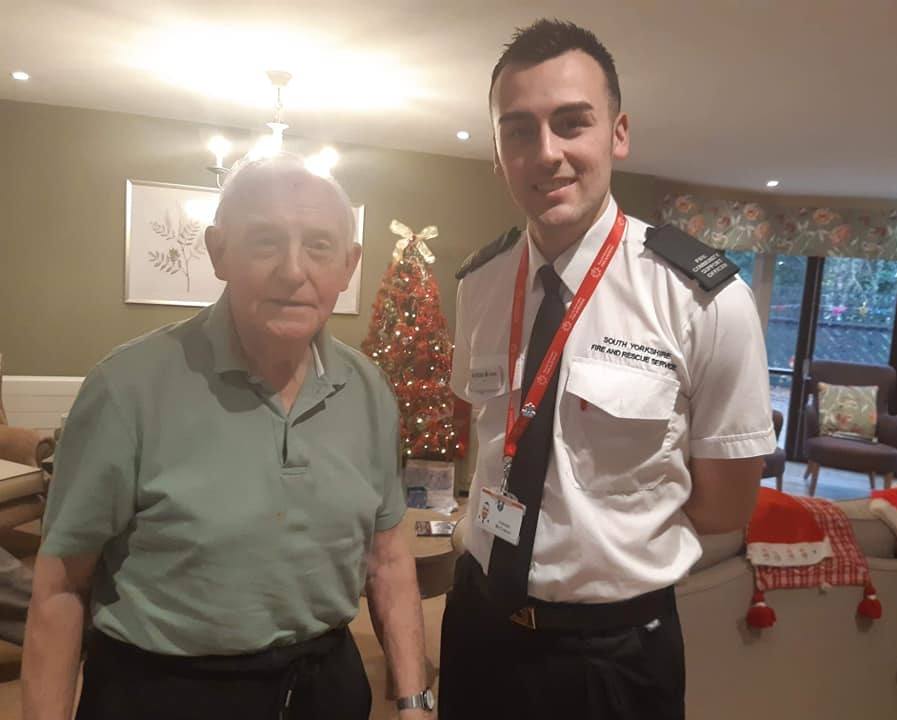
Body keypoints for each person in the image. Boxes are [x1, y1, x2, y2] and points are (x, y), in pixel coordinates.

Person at [439, 19, 776, 720]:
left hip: (613, 653)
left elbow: (725, 506)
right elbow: (485, 435)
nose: (547, 153)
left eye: (572, 123)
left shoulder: (703, 298)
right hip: (477, 625)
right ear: (498, 153)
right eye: (519, 130)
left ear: (618, 134)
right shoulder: (479, 283)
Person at [22, 155, 434, 720]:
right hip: (164, 692)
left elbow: (388, 560)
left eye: (319, 245)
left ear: (349, 264)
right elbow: (60, 587)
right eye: (265, 241)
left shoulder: (369, 390)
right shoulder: (126, 388)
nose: (294, 270)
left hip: (324, 687)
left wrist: (414, 702)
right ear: (219, 253)